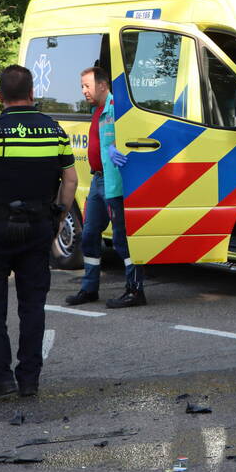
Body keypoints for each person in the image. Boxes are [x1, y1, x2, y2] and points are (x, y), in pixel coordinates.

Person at [0, 65, 78, 401]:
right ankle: (29, 380)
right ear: (32, 93)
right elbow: (70, 180)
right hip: (38, 228)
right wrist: (59, 216)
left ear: (0, 97)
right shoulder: (53, 130)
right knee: (32, 306)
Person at [64, 66, 146, 308]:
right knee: (89, 236)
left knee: (122, 240)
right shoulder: (97, 110)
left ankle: (135, 290)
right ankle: (89, 289)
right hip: (98, 180)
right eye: (81, 86)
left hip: (116, 184)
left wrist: (119, 148)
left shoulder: (118, 107)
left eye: (87, 86)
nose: (83, 91)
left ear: (102, 85)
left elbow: (137, 135)